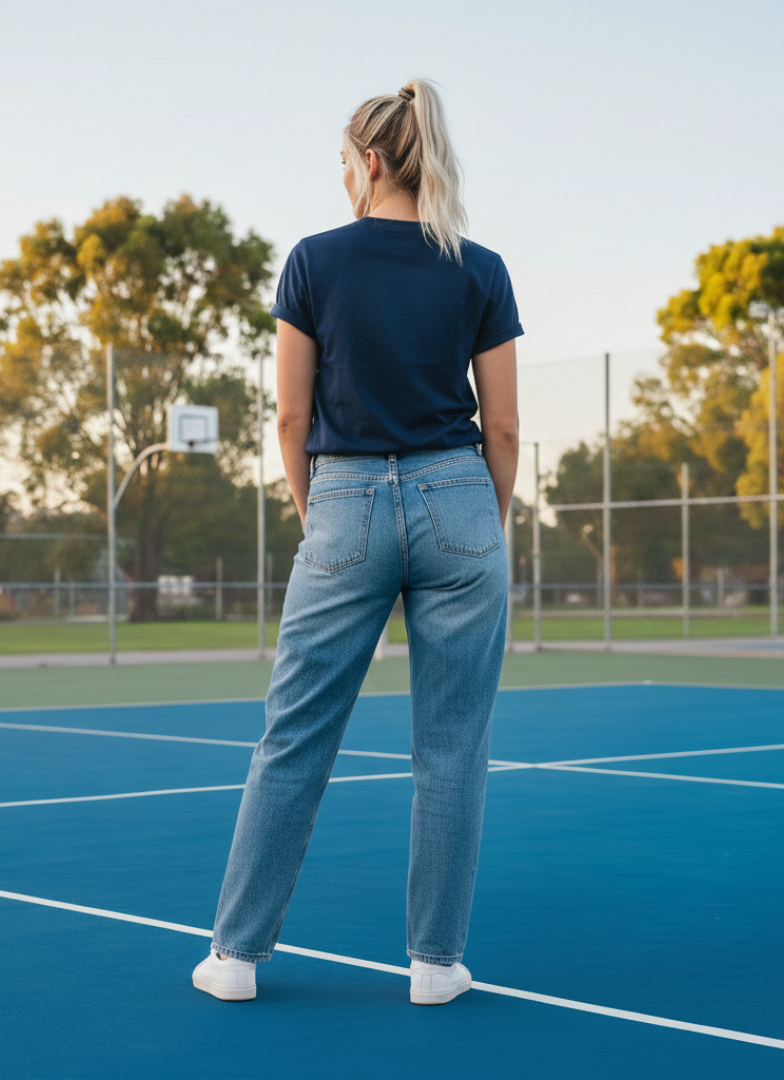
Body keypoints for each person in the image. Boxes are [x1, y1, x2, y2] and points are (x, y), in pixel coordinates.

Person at [193, 78, 521, 1006]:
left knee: (293, 736)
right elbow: (503, 429)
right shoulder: (481, 267)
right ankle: (435, 965)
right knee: (452, 747)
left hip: (344, 499)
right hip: (459, 496)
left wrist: (318, 512)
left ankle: (237, 960)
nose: (344, 178)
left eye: (345, 162)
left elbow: (291, 414)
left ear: (371, 161)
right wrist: (480, 526)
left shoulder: (312, 261)